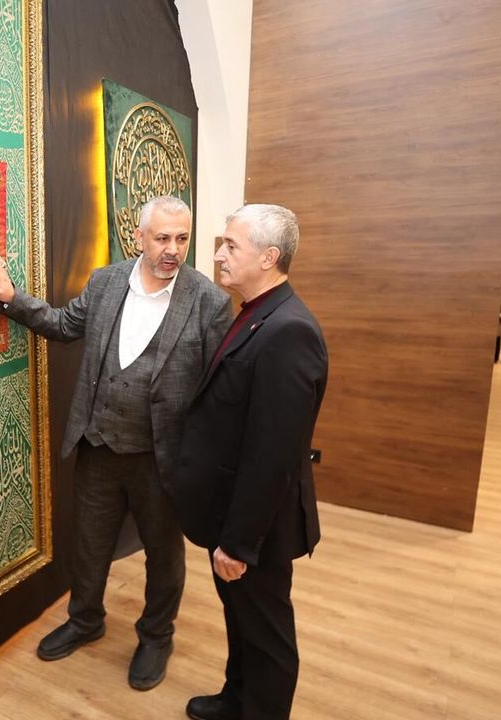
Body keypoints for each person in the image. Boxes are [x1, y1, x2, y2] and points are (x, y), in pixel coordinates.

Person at [0, 195, 232, 690]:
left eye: (182, 238)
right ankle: (85, 619)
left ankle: (156, 635)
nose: (173, 249)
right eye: (162, 238)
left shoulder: (209, 302)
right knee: (89, 543)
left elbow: (216, 393)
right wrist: (12, 298)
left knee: (164, 554)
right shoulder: (106, 282)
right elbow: (62, 325)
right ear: (138, 237)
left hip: (161, 458)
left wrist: (206, 467)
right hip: (98, 446)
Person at [166, 204, 328, 720]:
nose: (218, 254)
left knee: (266, 637)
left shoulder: (289, 331)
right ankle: (236, 699)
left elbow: (272, 455)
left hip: (254, 527)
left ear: (268, 257)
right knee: (240, 622)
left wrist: (238, 543)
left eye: (231, 245)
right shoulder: (256, 312)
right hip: (229, 512)